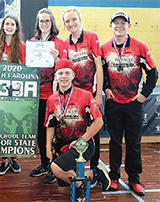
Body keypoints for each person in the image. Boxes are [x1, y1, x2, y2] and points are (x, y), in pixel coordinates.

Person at [101, 10, 158, 196]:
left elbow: (153, 73)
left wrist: (143, 95)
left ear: (128, 26)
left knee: (134, 143)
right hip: (114, 103)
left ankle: (135, 179)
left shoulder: (140, 46)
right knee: (115, 142)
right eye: (115, 23)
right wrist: (105, 88)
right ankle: (115, 177)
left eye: (122, 23)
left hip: (134, 103)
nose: (119, 26)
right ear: (111, 26)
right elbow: (100, 72)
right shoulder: (104, 48)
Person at [45, 59, 110, 201]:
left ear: (73, 76)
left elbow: (99, 122)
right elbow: (50, 125)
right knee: (63, 190)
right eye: (60, 73)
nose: (64, 76)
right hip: (63, 145)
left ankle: (80, 188)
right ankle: (95, 174)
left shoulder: (85, 95)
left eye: (67, 73)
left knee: (56, 168)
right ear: (55, 76)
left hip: (83, 144)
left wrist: (82, 140)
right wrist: (47, 147)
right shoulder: (52, 99)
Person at [62, 6, 104, 187]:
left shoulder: (92, 37)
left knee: (94, 131)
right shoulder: (65, 43)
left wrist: (99, 92)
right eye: (67, 21)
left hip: (90, 92)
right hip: (74, 96)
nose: (71, 23)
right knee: (77, 130)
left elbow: (99, 66)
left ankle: (95, 168)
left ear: (80, 20)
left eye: (74, 19)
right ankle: (75, 167)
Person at [29, 8, 66, 184]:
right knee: (40, 131)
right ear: (37, 23)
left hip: (53, 95)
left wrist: (58, 58)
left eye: (47, 21)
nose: (44, 24)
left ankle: (54, 166)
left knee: (54, 131)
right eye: (41, 21)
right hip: (36, 96)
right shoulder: (32, 42)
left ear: (52, 23)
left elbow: (65, 68)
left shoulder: (59, 43)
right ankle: (44, 163)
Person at [0, 14, 26, 175]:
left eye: (12, 24)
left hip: (17, 93)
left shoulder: (23, 47)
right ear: (3, 27)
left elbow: (27, 70)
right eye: (7, 24)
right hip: (0, 94)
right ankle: (4, 159)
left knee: (14, 126)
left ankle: (13, 158)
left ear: (17, 27)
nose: (9, 26)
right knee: (2, 127)